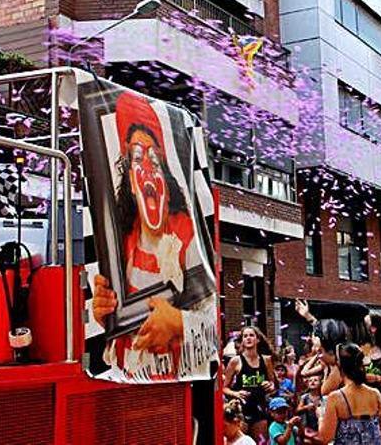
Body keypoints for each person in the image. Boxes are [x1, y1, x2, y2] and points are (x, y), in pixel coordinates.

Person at [91, 92, 216, 377]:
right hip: (128, 381)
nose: (147, 170)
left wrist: (179, 322)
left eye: (154, 162)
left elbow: (214, 328)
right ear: (132, 184)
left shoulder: (189, 240)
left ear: (167, 183)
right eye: (137, 159)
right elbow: (122, 329)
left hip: (175, 386)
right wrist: (107, 316)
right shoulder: (120, 245)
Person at [317, 342, 381, 445]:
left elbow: (325, 438)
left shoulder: (335, 398)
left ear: (340, 365)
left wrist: (320, 417)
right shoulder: (375, 394)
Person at [223, 326, 277, 442]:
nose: (248, 338)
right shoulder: (235, 361)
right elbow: (224, 388)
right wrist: (236, 393)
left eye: (251, 335)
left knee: (262, 441)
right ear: (242, 340)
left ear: (257, 339)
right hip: (241, 410)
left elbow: (273, 385)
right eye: (245, 336)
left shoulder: (266, 360)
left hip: (259, 409)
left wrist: (270, 385)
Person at [296, 375, 322, 443]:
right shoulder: (304, 397)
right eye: (310, 381)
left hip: (319, 426)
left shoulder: (323, 397)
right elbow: (297, 410)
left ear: (320, 383)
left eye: (315, 380)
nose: (312, 382)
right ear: (307, 384)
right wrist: (306, 407)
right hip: (307, 426)